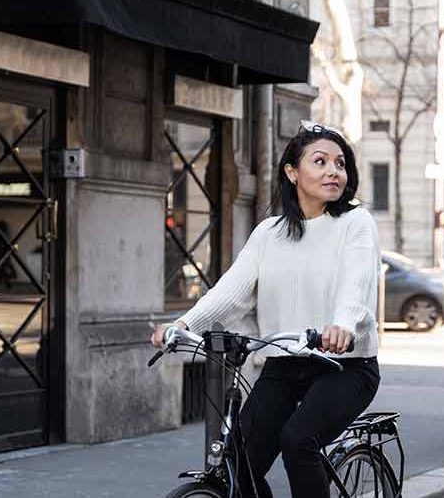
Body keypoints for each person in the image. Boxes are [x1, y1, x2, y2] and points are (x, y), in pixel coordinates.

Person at [151, 121, 381, 498]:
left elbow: (356, 285)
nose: (333, 171)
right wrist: (182, 323)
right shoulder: (269, 233)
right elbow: (230, 290)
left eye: (340, 164)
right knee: (238, 460)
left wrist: (342, 325)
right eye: (320, 161)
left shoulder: (355, 222)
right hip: (285, 364)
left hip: (346, 366)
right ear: (292, 172)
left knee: (297, 440)